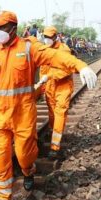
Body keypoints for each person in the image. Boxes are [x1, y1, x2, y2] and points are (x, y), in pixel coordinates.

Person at [0, 11, 97, 200]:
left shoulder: (29, 49)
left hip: (22, 115)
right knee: (0, 157)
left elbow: (55, 57)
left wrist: (80, 65)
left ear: (12, 28)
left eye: (2, 27)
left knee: (24, 155)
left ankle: (29, 171)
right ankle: (3, 197)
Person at [38, 26, 75, 160]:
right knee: (52, 114)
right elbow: (43, 69)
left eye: (49, 37)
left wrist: (49, 76)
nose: (47, 39)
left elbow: (67, 69)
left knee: (60, 113)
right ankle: (53, 132)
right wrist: (42, 89)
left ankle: (55, 146)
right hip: (50, 87)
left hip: (63, 87)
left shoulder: (64, 49)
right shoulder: (44, 50)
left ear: (56, 37)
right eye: (45, 37)